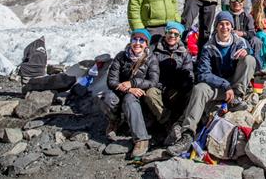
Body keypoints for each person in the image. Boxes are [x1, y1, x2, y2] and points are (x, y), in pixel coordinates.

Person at [164, 11, 256, 156]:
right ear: (216, 27)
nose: (224, 27)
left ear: (231, 27)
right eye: (221, 24)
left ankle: (237, 97)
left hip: (234, 85)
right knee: (199, 89)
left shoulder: (240, 42)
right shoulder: (208, 47)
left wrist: (247, 51)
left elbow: (255, 58)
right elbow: (203, 74)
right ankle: (187, 135)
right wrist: (224, 85)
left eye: (227, 24)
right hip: (219, 87)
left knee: (250, 59)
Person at [99, 29, 159, 157]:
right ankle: (115, 121)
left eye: (141, 40)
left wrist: (133, 83)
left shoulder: (151, 58)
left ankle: (141, 139)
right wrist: (127, 88)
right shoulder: (121, 56)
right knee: (107, 97)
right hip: (121, 92)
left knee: (130, 99)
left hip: (140, 95)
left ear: (146, 44)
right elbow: (111, 81)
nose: (137, 43)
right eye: (135, 39)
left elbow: (153, 81)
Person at [144, 21, 194, 126]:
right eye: (170, 32)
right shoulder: (154, 49)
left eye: (176, 34)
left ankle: (180, 120)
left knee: (191, 92)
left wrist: (184, 83)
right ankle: (167, 121)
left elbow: (189, 72)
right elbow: (148, 70)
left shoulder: (184, 53)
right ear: (165, 33)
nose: (172, 36)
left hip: (175, 89)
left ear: (180, 37)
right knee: (150, 93)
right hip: (157, 86)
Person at [228, 0, 264, 70]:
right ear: (230, 2)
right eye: (234, 0)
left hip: (246, 42)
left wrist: (242, 33)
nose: (237, 2)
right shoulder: (226, 16)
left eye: (240, 0)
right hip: (231, 42)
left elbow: (252, 33)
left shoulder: (247, 16)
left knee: (256, 41)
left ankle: (257, 67)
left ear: (243, 3)